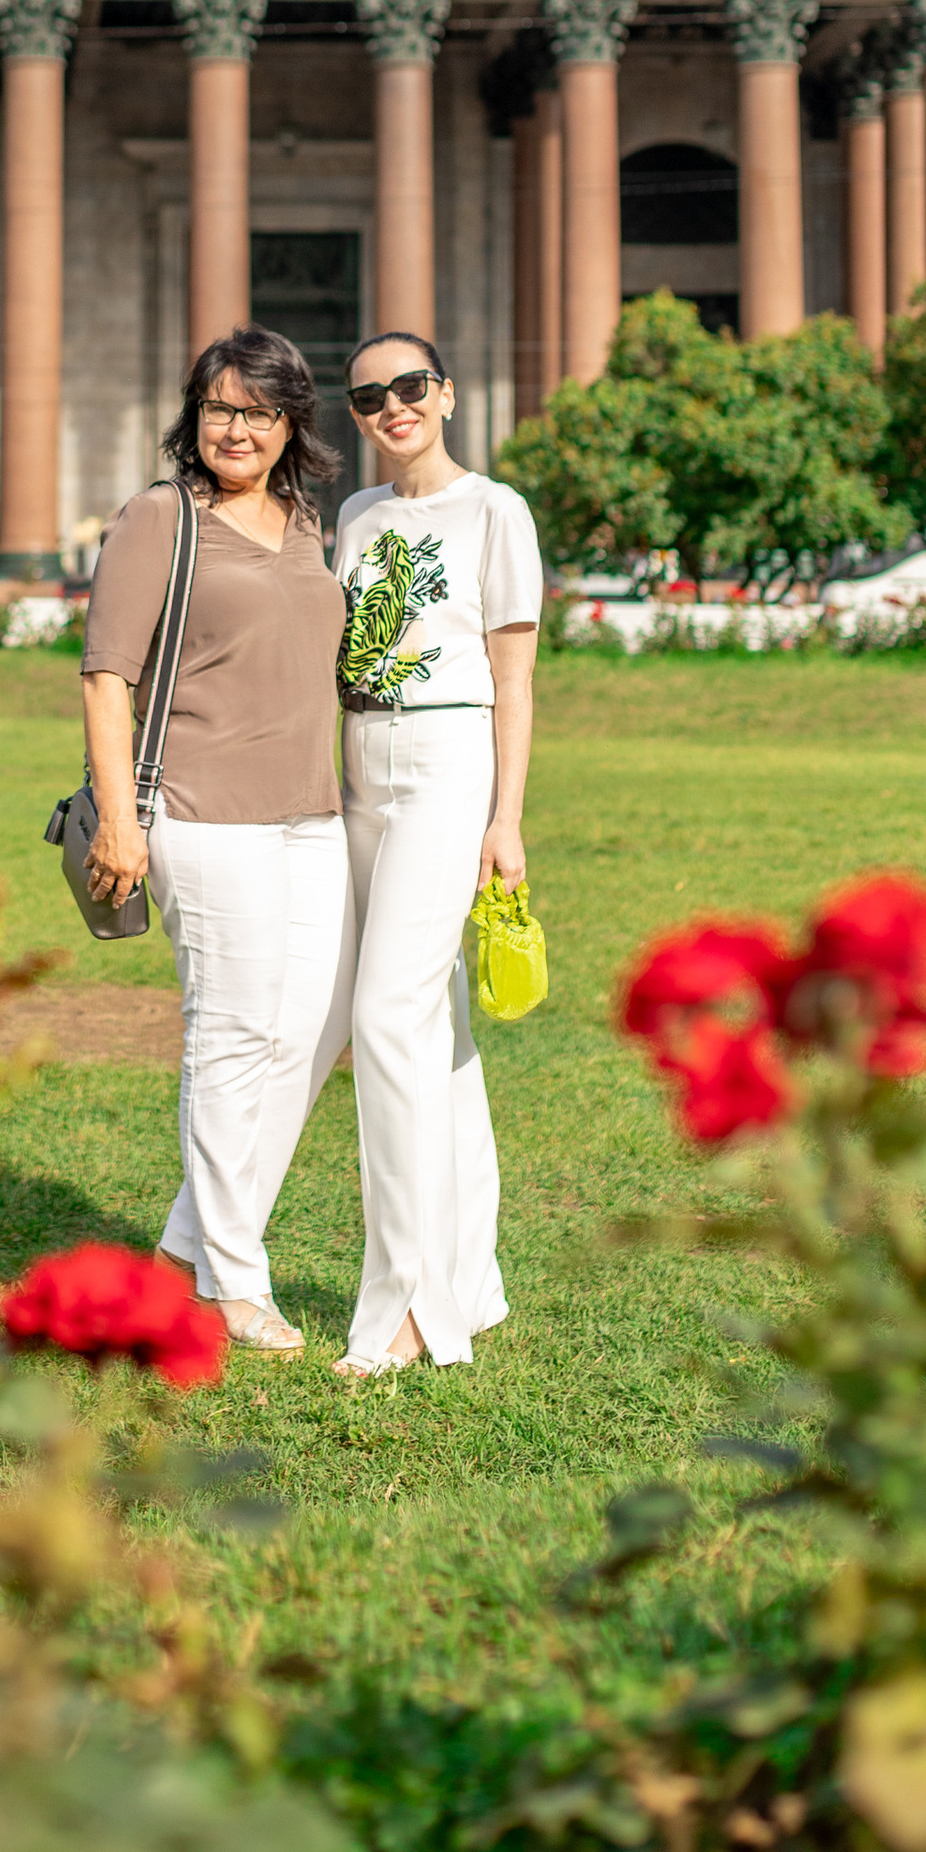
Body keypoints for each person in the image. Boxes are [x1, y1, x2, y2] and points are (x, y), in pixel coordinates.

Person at [79, 329, 349, 1355]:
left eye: (259, 411)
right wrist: (118, 819)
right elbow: (107, 675)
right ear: (193, 418)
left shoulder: (304, 524)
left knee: (302, 1038)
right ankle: (233, 1284)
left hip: (309, 815)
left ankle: (187, 1248)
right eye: (219, 408)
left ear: (291, 426)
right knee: (233, 1040)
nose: (237, 428)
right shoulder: (159, 520)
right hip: (200, 811)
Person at [330, 330, 541, 1378]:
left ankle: (410, 1308)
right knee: (437, 1030)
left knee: (384, 1018)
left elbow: (515, 677)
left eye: (410, 387)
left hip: (451, 756)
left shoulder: (496, 511)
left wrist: (504, 819)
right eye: (369, 398)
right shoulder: (358, 516)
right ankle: (473, 1279)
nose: (392, 408)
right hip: (363, 758)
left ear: (447, 394)